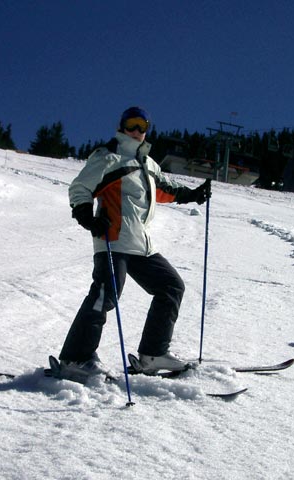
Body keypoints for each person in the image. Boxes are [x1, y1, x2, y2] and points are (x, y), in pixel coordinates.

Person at [58, 106, 211, 379]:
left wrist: (193, 194)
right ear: (122, 126)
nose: (137, 131)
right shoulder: (107, 157)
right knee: (105, 295)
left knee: (171, 287)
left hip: (141, 244)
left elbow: (165, 189)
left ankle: (153, 354)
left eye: (142, 126)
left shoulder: (149, 164)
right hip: (113, 239)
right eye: (132, 124)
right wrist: (86, 216)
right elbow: (80, 187)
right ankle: (75, 359)